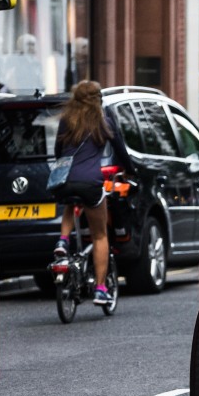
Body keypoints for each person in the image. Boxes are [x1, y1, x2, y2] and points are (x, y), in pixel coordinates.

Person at [51, 80, 127, 306]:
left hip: (65, 180)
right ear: (98, 100)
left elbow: (57, 151)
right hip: (91, 183)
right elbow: (121, 152)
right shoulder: (104, 121)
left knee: (69, 202)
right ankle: (101, 289)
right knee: (100, 235)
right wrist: (131, 173)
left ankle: (63, 242)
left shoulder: (67, 120)